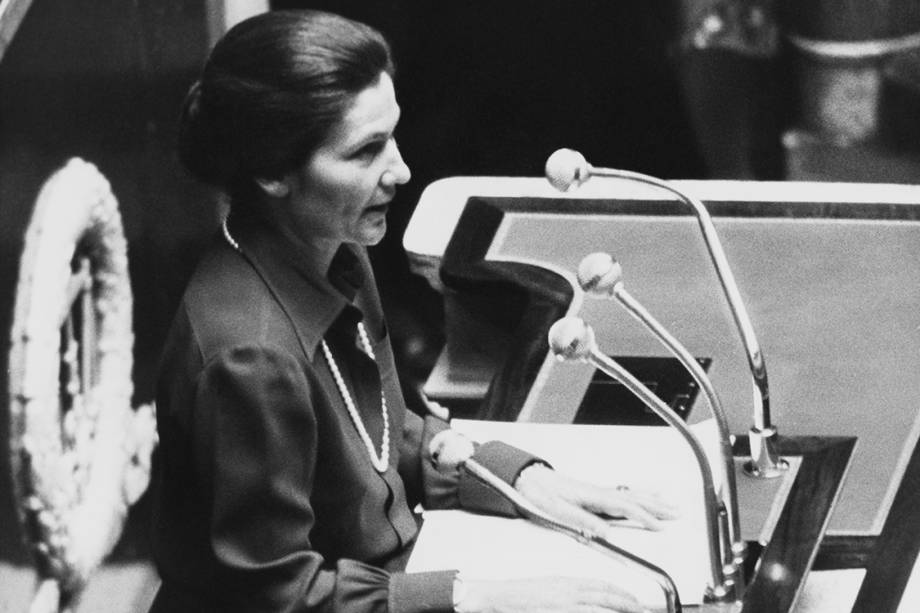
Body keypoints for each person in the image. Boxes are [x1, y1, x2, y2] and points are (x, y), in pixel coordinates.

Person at [149, 9, 676, 613]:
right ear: (272, 171)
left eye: (393, 135)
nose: (401, 169)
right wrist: (478, 598)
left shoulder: (339, 254)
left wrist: (518, 479)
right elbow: (280, 599)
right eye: (366, 151)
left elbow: (377, 433)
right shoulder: (249, 359)